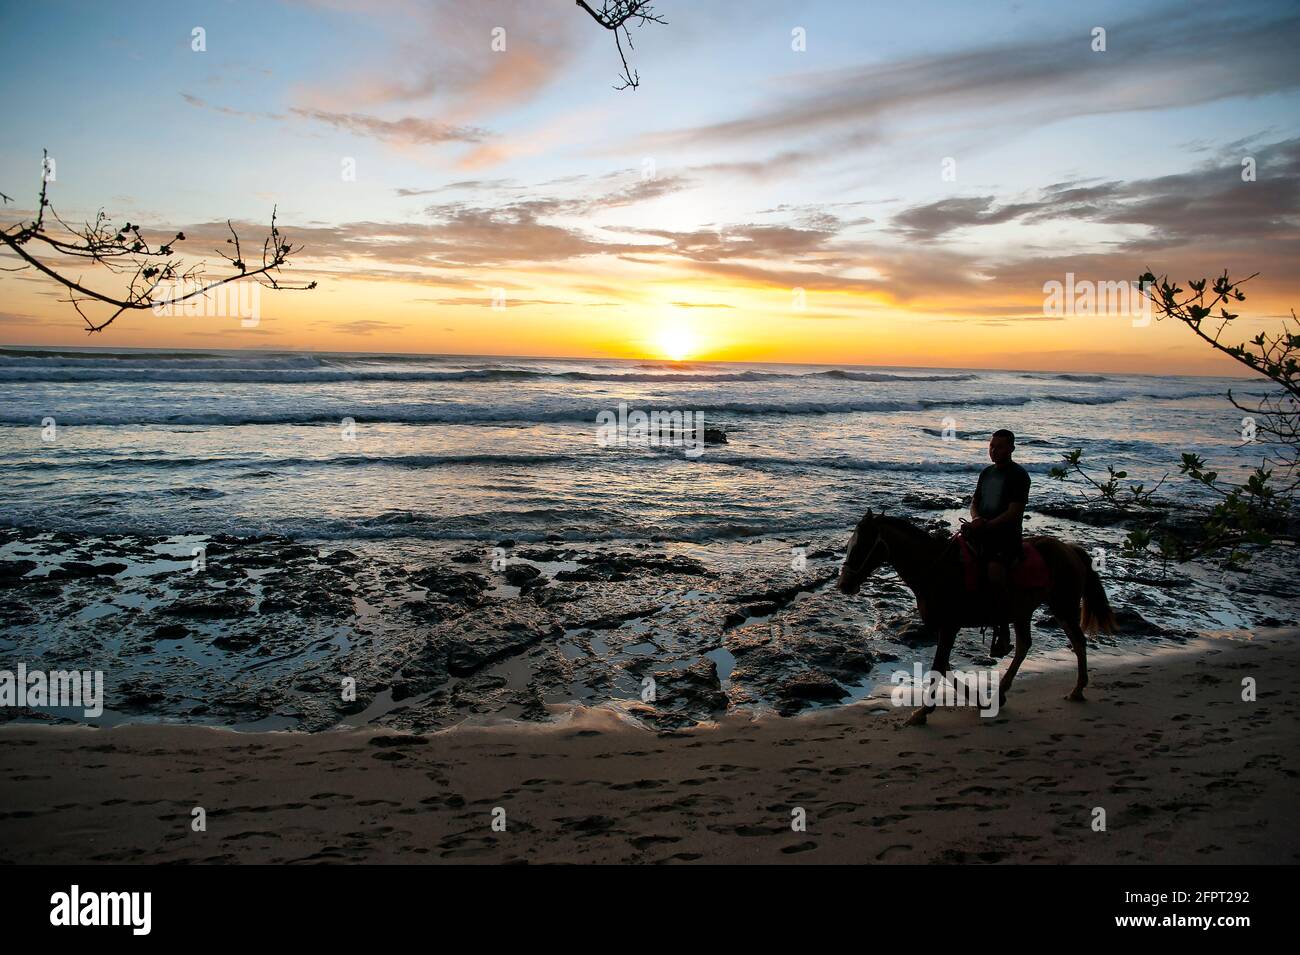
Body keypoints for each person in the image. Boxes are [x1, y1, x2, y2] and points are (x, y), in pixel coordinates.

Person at [965, 429, 1030, 655]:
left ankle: (1003, 629)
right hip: (980, 530)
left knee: (994, 572)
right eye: (992, 446)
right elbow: (975, 501)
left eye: (1000, 446)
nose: (994, 450)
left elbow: (1014, 512)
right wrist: (976, 519)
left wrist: (988, 525)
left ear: (1011, 448)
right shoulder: (987, 473)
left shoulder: (1019, 476)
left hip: (1005, 537)